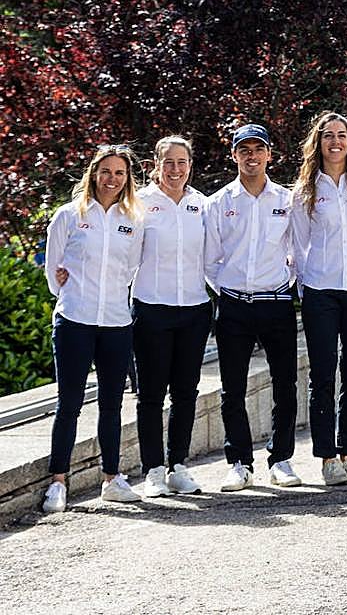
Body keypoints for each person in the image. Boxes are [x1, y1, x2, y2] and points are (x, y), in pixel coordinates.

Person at [42, 145, 145, 512]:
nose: (112, 179)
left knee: (111, 405)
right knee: (68, 404)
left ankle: (111, 478)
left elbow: (131, 269)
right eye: (106, 171)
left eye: (119, 173)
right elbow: (53, 271)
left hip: (116, 323)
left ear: (127, 179)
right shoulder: (69, 216)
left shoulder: (132, 220)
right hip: (74, 321)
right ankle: (58, 483)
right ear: (93, 173)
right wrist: (72, 293)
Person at [204, 123, 302, 491]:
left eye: (257, 149)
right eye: (244, 149)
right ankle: (240, 462)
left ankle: (281, 459)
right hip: (234, 306)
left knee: (285, 384)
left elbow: (297, 249)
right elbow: (210, 259)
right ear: (234, 155)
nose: (251, 155)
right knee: (232, 387)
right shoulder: (219, 203)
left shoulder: (286, 200)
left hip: (276, 302)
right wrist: (232, 290)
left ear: (269, 155)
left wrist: (281, 282)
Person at [291, 112, 347, 485]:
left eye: (341, 135)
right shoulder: (305, 191)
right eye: (327, 135)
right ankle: (327, 457)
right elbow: (298, 244)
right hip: (320, 291)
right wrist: (306, 285)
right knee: (323, 376)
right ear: (318, 143)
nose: (335, 142)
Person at [132, 136, 210, 498]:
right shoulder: (141, 205)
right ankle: (153, 470)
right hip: (151, 309)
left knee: (186, 392)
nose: (176, 170)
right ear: (155, 164)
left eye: (182, 162)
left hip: (194, 309)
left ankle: (178, 465)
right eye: (169, 163)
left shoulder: (201, 205)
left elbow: (217, 256)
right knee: (150, 395)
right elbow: (122, 253)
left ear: (190, 165)